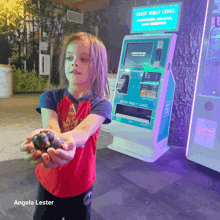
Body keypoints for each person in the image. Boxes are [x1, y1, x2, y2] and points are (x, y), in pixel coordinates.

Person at [20, 32, 112, 220]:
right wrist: (45, 139)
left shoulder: (101, 105)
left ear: (98, 67)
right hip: (49, 180)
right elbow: (51, 127)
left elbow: (82, 133)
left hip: (80, 182)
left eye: (84, 59)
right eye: (69, 57)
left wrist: (65, 143)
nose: (74, 63)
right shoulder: (50, 97)